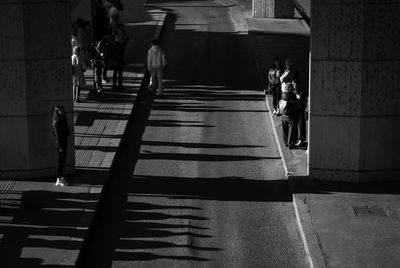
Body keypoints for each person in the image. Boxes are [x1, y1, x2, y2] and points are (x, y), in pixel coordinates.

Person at [52, 105, 70, 187]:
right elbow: (58, 136)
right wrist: (60, 147)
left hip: (64, 142)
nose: (62, 112)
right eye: (60, 111)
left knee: (62, 161)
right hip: (60, 144)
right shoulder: (57, 122)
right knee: (60, 161)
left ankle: (61, 177)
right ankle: (58, 179)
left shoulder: (63, 119)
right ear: (57, 112)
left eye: (63, 110)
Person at [112, 23, 129, 90]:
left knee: (118, 73)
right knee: (117, 73)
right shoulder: (117, 45)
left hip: (118, 59)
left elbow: (127, 38)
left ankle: (117, 85)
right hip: (117, 59)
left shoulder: (120, 45)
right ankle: (117, 85)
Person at [293, 80, 307, 147]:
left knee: (301, 125)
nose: (294, 86)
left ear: (298, 85)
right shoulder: (293, 92)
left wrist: (300, 101)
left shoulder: (302, 93)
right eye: (293, 85)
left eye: (295, 85)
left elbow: (304, 102)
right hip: (295, 111)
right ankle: (296, 139)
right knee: (295, 125)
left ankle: (301, 139)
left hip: (301, 111)